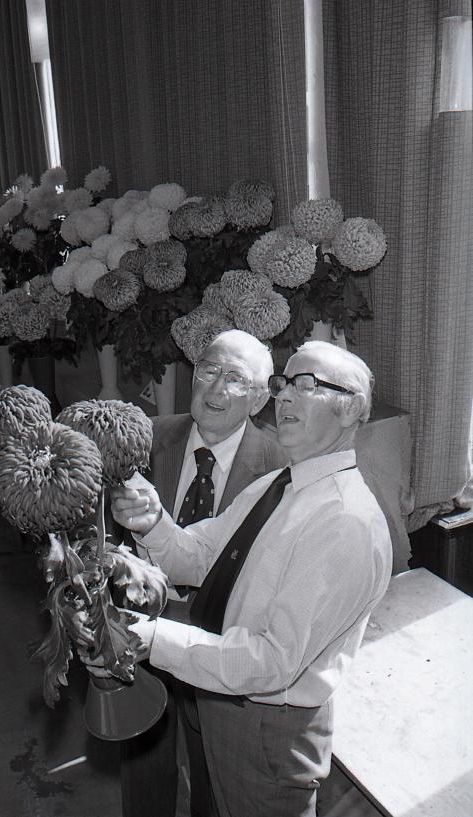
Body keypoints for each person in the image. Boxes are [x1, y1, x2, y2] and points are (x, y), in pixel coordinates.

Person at [105, 340, 393, 817]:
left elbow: (272, 662)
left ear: (351, 412)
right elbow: (200, 555)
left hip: (268, 728)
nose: (285, 397)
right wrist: (152, 523)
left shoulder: (343, 520)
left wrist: (148, 638)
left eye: (308, 385)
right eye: (284, 384)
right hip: (226, 699)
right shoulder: (278, 486)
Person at [118, 329, 287, 817]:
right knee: (143, 762)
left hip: (225, 637)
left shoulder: (279, 468)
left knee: (215, 773)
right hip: (141, 625)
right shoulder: (143, 437)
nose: (215, 389)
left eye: (235, 379)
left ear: (258, 398)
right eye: (209, 370)